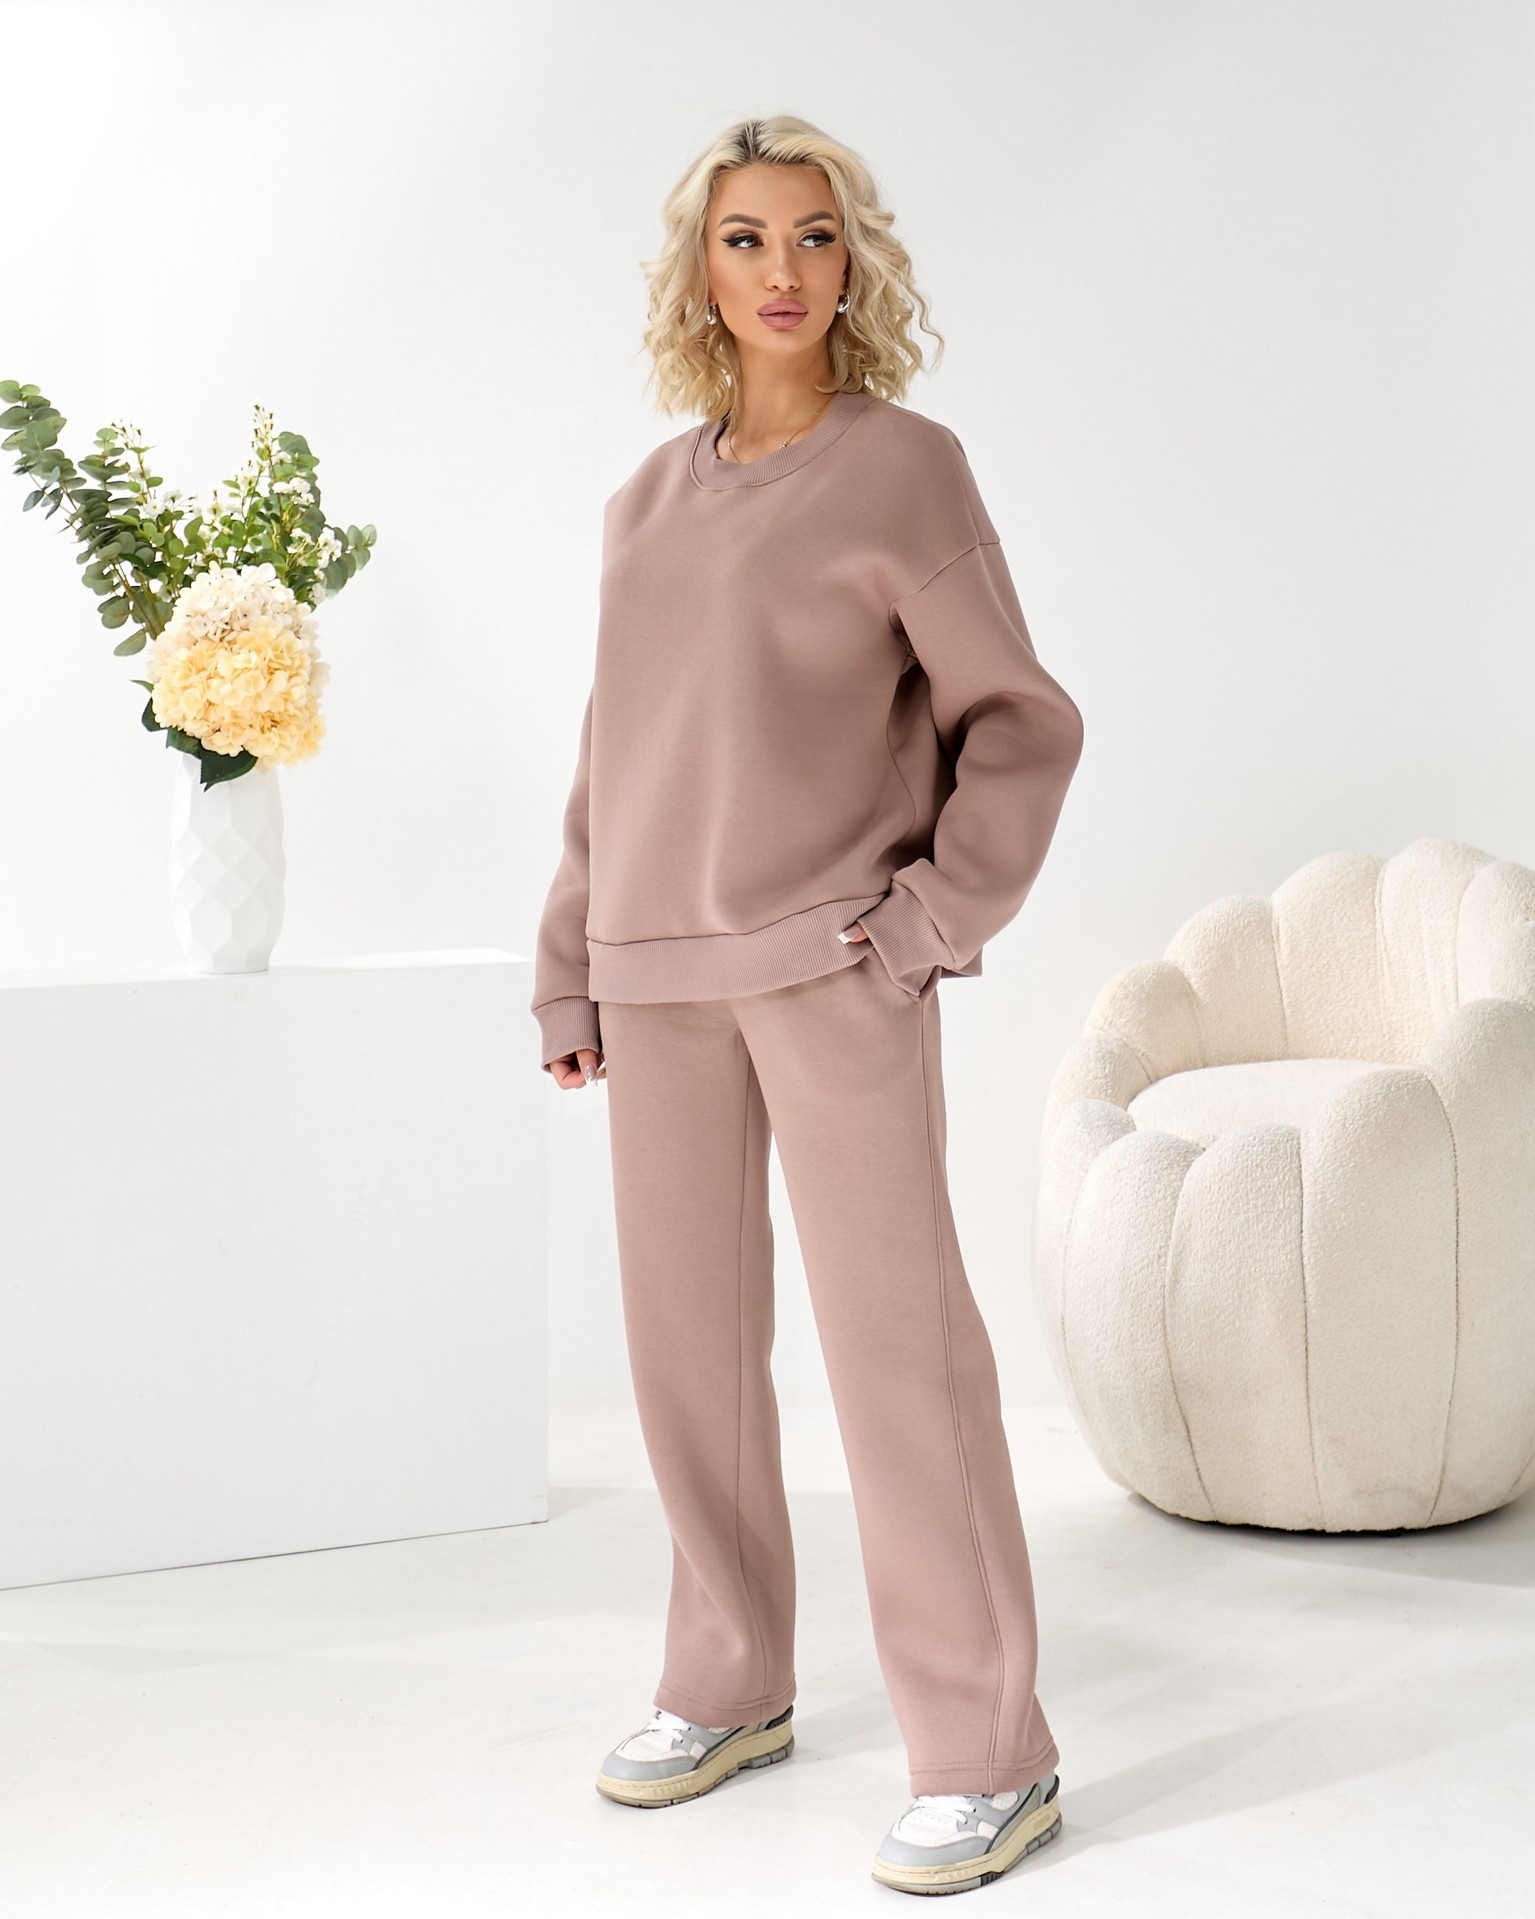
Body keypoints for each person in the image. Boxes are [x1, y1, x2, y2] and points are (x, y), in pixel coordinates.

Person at [530, 113, 1085, 1898]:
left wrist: (926, 925)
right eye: (747, 238)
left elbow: (1021, 721)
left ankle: (987, 1755)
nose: (783, 272)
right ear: (700, 269)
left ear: (858, 264)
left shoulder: (905, 470)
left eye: (816, 237)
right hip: (657, 979)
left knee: (898, 1358)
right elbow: (615, 757)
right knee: (685, 1357)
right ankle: (728, 1682)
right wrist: (569, 959)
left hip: (840, 968)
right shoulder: (643, 503)